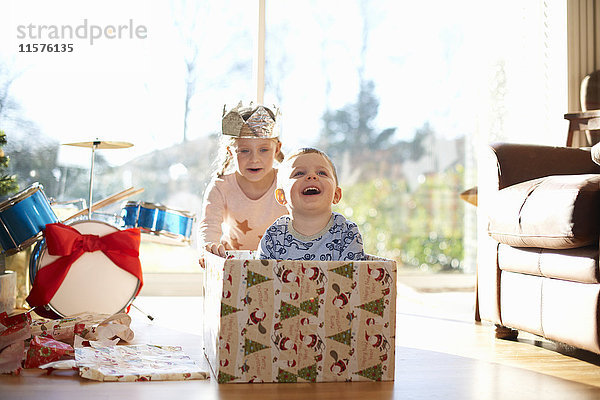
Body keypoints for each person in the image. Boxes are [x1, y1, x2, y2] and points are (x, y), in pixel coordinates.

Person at [198, 102, 288, 260]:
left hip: (280, 266)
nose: (254, 159)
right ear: (231, 152)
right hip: (234, 267)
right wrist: (209, 250)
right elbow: (209, 225)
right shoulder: (221, 187)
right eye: (245, 150)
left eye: (264, 150)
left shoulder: (288, 183)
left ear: (277, 149)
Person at [258, 147, 365, 261]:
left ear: (336, 195)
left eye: (322, 173)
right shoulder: (274, 236)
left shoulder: (347, 233)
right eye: (299, 173)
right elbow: (262, 275)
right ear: (281, 196)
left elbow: (354, 276)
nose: (312, 176)